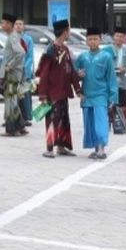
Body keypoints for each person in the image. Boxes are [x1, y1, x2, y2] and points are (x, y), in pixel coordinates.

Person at [36, 18, 81, 157]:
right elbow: (43, 74)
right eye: (68, 30)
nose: (69, 33)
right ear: (64, 32)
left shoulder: (65, 49)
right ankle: (49, 149)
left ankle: (62, 147)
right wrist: (42, 95)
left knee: (64, 119)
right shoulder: (50, 50)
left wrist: (77, 88)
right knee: (52, 120)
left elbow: (70, 70)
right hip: (51, 93)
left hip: (62, 92)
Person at [75, 28, 116, 159]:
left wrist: (112, 96)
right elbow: (73, 74)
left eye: (95, 39)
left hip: (101, 95)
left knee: (100, 123)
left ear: (100, 40)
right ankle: (95, 147)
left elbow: (111, 78)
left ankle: (101, 148)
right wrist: (78, 76)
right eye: (90, 39)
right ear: (86, 41)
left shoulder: (106, 57)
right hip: (87, 95)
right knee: (89, 124)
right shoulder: (82, 57)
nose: (92, 42)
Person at [0, 13, 28, 137]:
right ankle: (20, 126)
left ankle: (14, 129)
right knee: (13, 100)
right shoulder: (13, 36)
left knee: (11, 101)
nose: (1, 25)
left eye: (3, 23)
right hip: (14, 73)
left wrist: (10, 66)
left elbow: (21, 53)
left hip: (12, 74)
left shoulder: (13, 37)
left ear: (9, 24)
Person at [110, 27, 126, 129]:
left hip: (123, 82)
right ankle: (110, 122)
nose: (119, 38)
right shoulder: (108, 50)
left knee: (123, 103)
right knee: (111, 103)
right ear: (113, 37)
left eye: (121, 36)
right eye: (117, 36)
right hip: (111, 81)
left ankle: (122, 123)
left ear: (124, 38)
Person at [17, 19, 36, 125]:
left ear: (23, 26)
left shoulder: (28, 39)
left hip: (24, 70)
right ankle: (13, 119)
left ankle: (26, 117)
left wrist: (25, 68)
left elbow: (29, 56)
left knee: (25, 95)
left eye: (20, 24)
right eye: (16, 24)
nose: (18, 26)